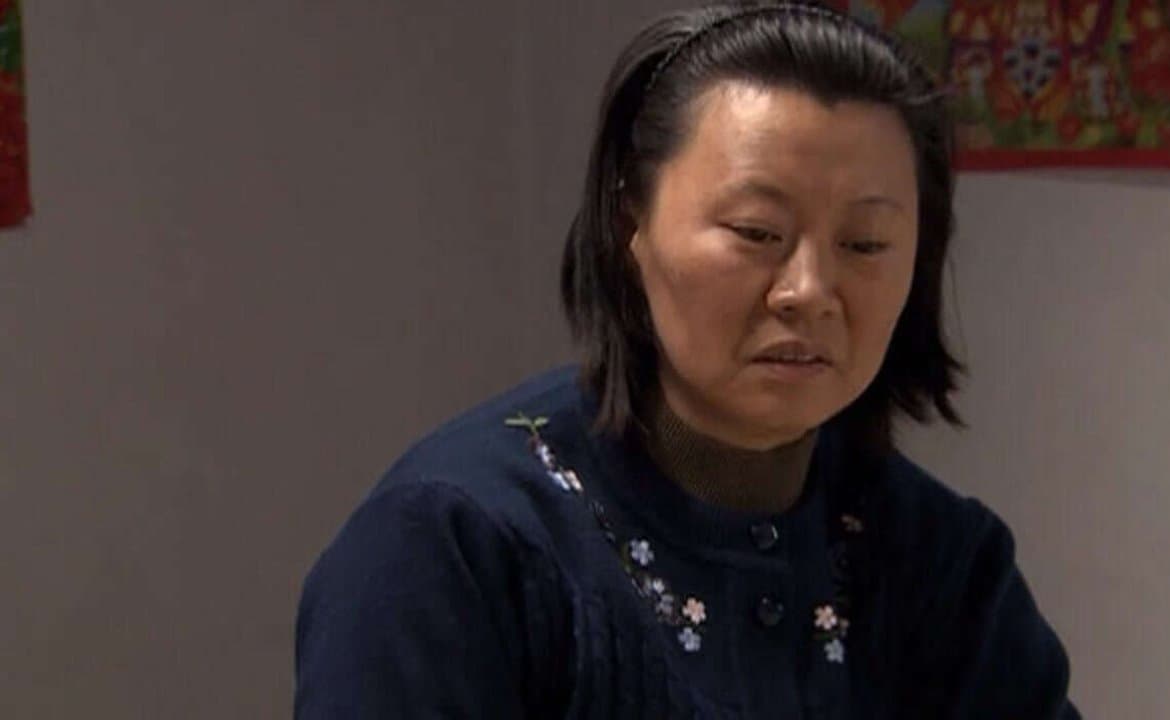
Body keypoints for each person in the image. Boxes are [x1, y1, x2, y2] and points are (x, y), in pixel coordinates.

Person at [294, 1, 1081, 717]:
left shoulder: (944, 560)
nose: (809, 292)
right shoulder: (453, 542)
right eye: (756, 233)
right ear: (627, 225)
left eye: (866, 244)